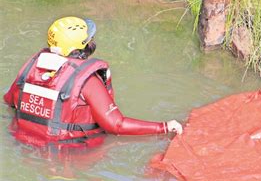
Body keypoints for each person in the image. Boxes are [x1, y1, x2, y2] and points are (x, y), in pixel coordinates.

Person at [3, 16, 183, 146]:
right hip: (71, 155)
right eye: (90, 39)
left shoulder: (33, 65)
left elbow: (9, 101)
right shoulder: (86, 79)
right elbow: (116, 125)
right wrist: (165, 127)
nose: (92, 40)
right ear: (83, 46)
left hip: (27, 147)